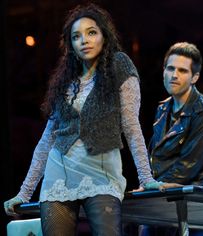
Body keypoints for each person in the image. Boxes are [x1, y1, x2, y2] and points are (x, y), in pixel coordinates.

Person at [3, 3, 180, 236]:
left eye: (91, 32)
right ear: (70, 45)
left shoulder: (119, 65)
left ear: (104, 36)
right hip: (59, 176)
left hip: (101, 175)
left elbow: (130, 124)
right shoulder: (66, 79)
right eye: (76, 37)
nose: (84, 40)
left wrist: (146, 178)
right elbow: (48, 138)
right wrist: (24, 193)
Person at [140, 42, 203, 236]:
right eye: (170, 68)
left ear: (195, 77)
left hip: (198, 208)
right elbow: (155, 156)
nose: (174, 75)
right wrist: (150, 183)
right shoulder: (163, 109)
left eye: (182, 70)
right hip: (166, 200)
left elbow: (187, 168)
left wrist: (151, 187)